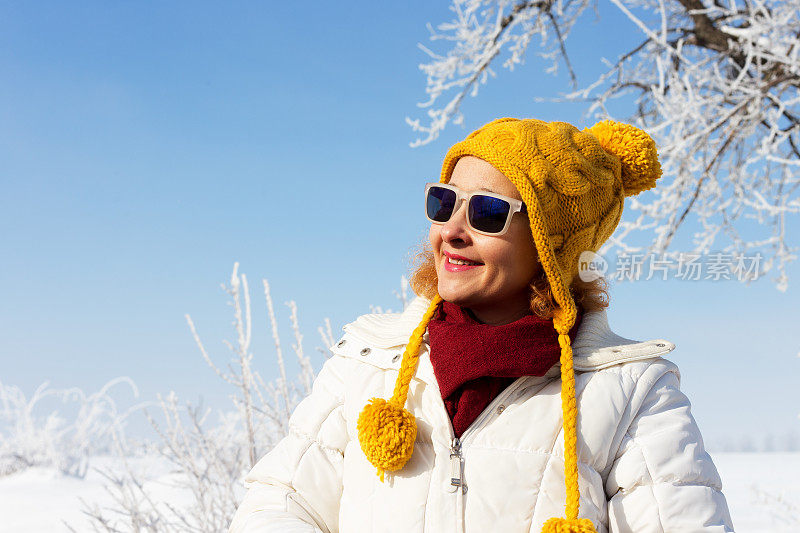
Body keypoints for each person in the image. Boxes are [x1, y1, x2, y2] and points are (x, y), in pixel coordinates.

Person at [228, 118, 734, 532]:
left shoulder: (630, 393)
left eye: (488, 213)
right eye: (443, 201)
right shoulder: (367, 361)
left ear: (550, 247)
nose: (451, 231)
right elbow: (280, 503)